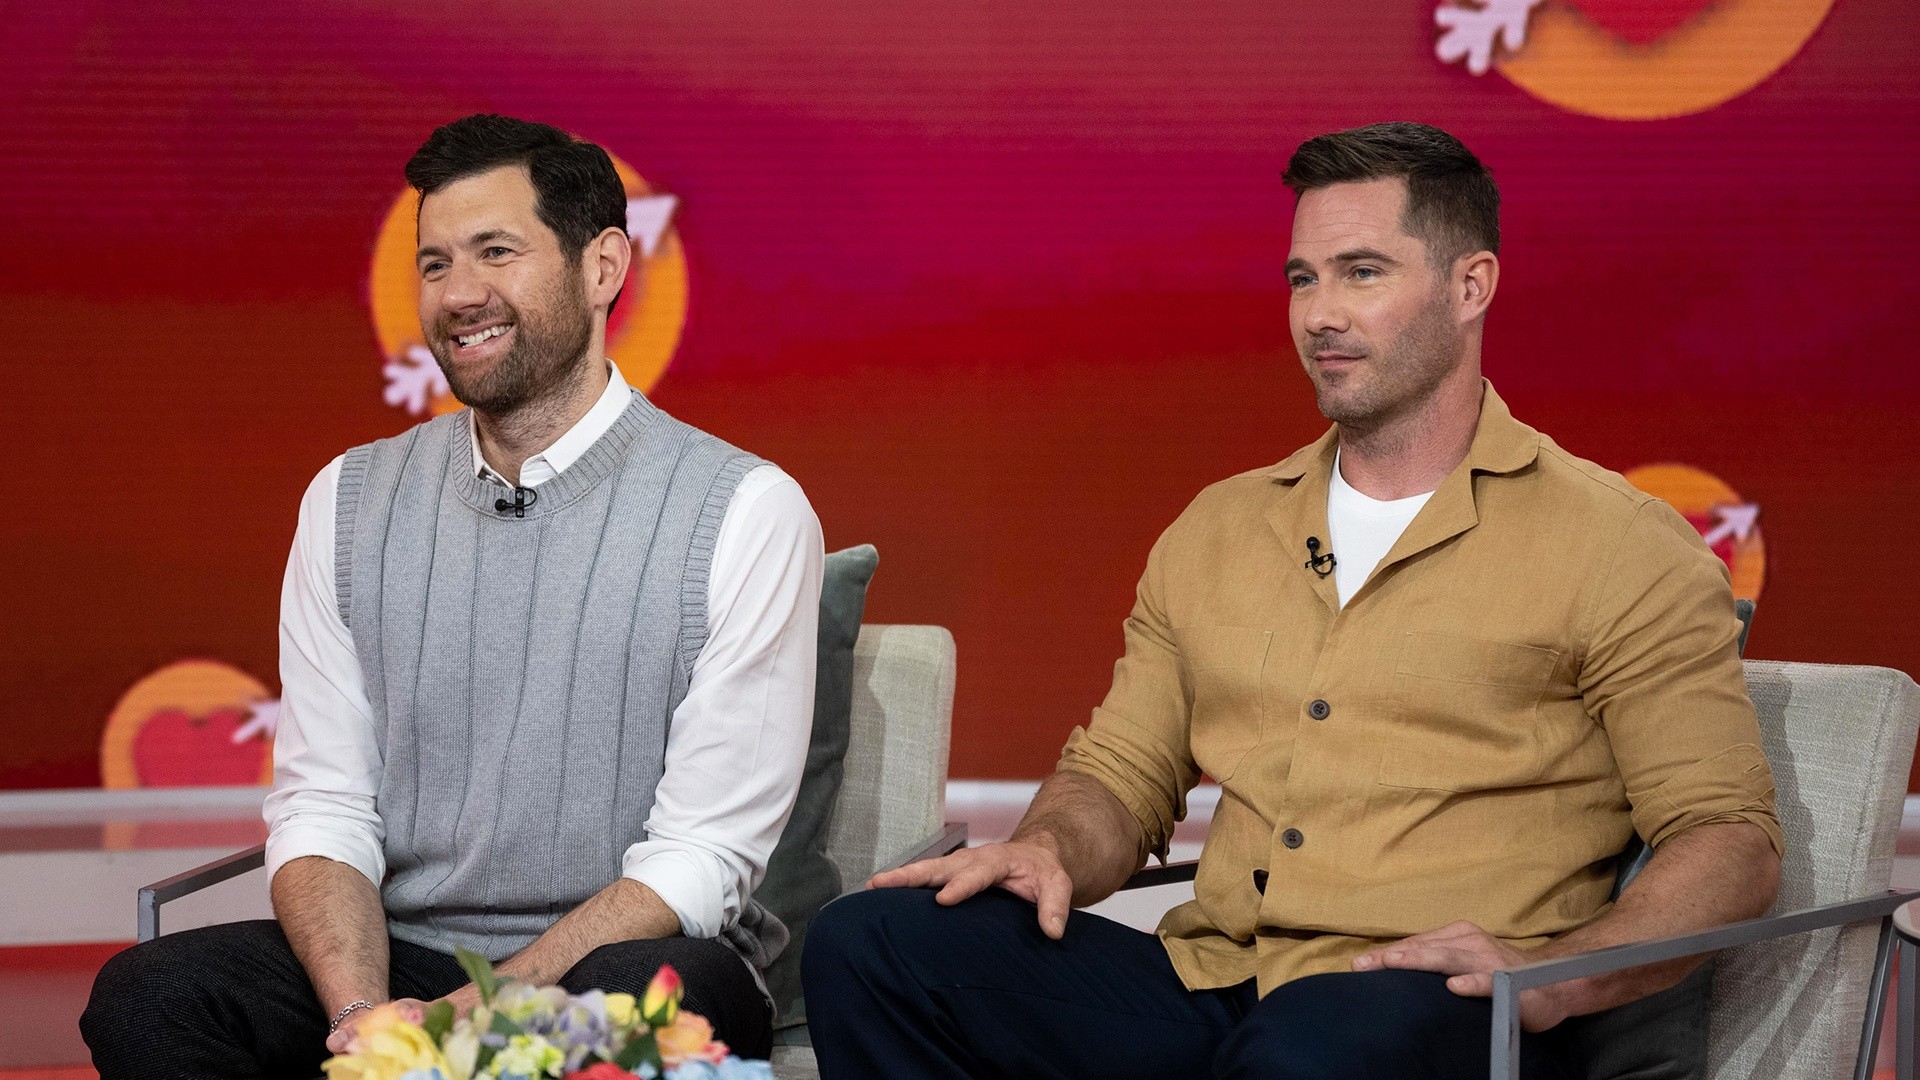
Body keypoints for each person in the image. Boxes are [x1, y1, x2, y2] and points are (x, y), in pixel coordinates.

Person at [802, 122, 1782, 1079]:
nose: (1320, 313)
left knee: (1311, 1047)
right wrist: (1049, 847)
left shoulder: (1618, 546)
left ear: (1470, 285)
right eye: (1302, 278)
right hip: (1222, 981)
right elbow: (1123, 771)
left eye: (1363, 273)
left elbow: (1726, 840)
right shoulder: (1222, 528)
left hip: (1444, 1010)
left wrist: (1550, 980)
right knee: (872, 945)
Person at [82, 114, 823, 1077]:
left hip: (621, 962)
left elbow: (700, 860)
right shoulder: (348, 498)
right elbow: (325, 804)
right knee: (149, 996)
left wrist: (488, 1007)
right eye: (433, 264)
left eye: (496, 252)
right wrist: (367, 1017)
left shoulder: (744, 510)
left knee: (646, 995)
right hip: (400, 958)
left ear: (604, 268)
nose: (459, 294)